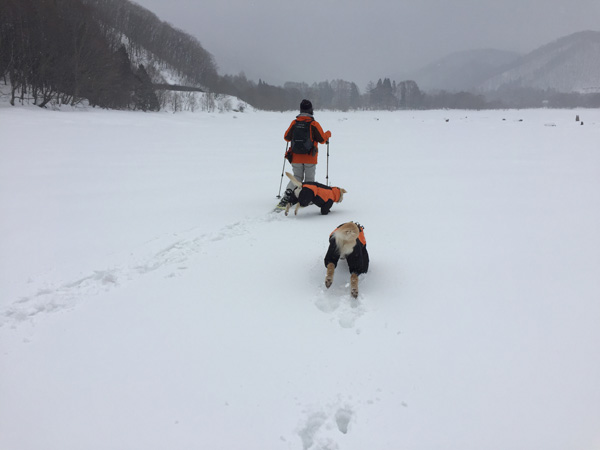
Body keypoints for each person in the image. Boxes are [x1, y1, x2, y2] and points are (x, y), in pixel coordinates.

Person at [276, 99, 331, 209]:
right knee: (309, 180)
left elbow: (286, 137)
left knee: (296, 177)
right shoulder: (314, 124)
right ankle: (306, 199)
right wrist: (328, 134)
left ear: (300, 109)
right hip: (310, 157)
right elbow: (322, 140)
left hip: (296, 157)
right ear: (311, 110)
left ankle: (287, 195)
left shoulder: (294, 123)